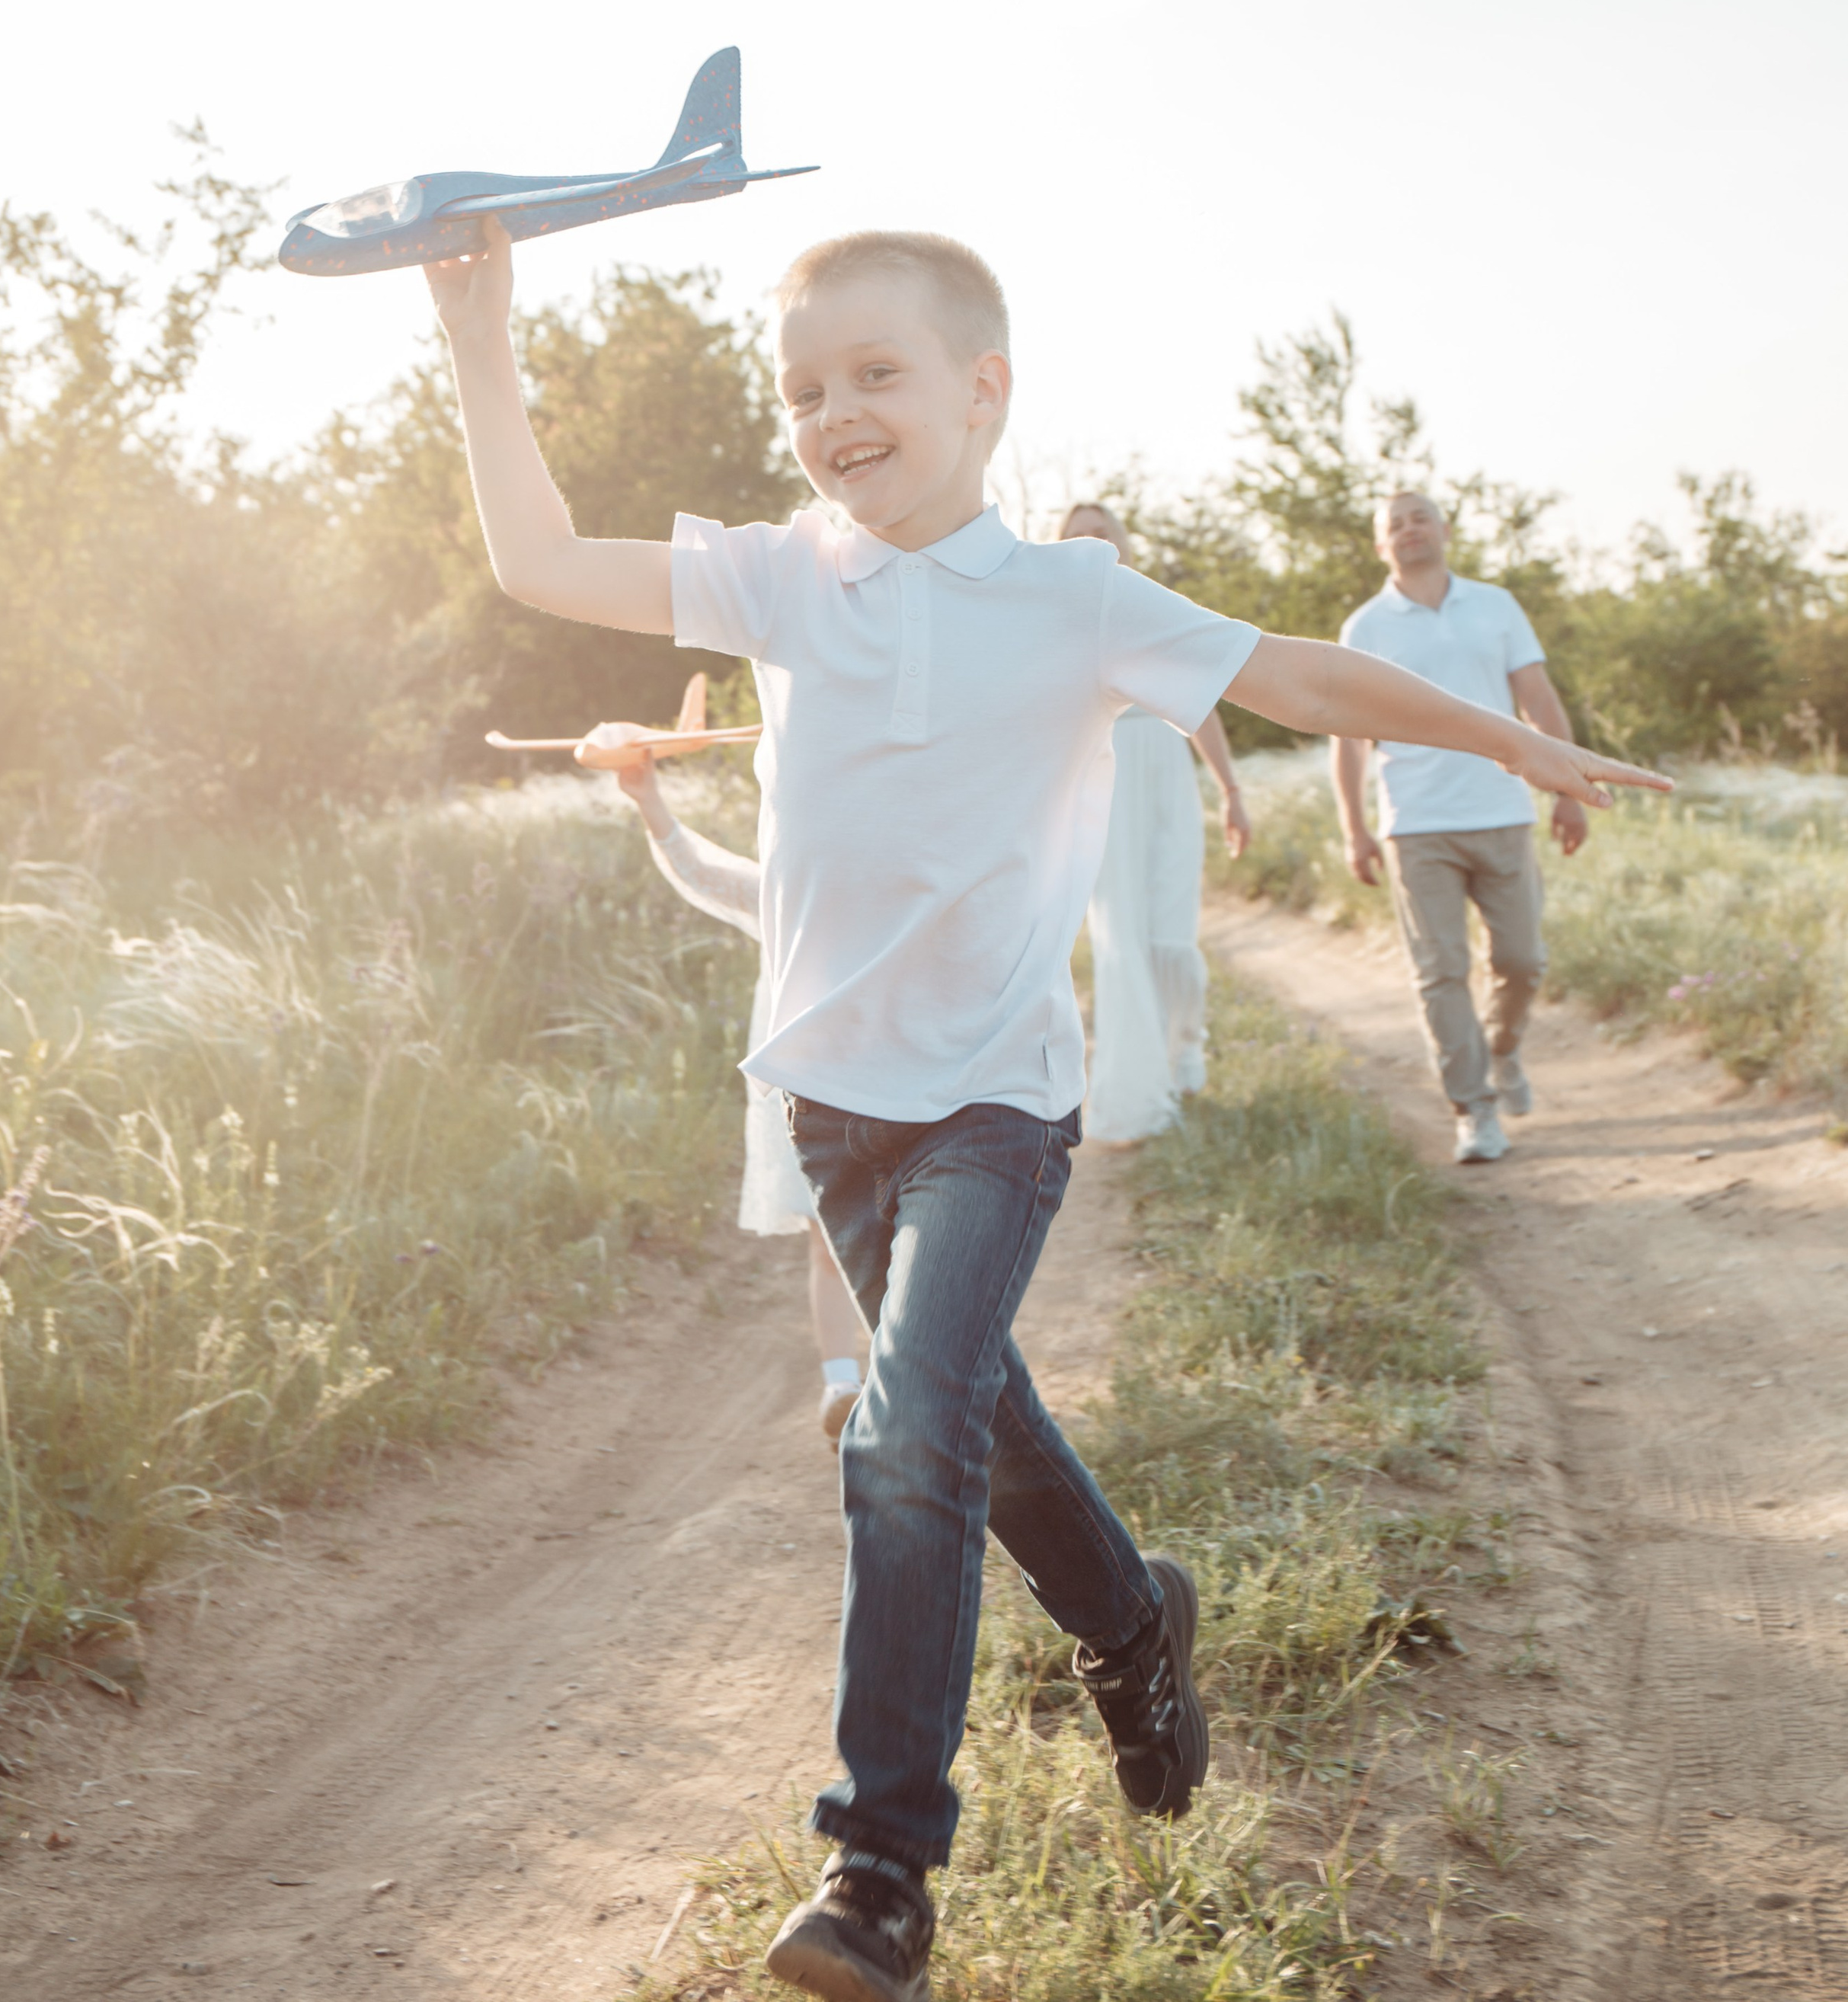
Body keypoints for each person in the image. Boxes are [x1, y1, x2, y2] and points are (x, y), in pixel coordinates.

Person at [421, 219, 1664, 2002]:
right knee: (979, 1432)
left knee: (904, 1419)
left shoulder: (1072, 601)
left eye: (874, 376)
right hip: (833, 1110)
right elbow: (536, 557)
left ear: (982, 391)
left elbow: (1297, 676)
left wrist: (1519, 742)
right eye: (801, 388)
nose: (832, 415)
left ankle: (878, 1869)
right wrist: (480, 336)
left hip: (994, 1101)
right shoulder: (782, 578)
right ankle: (1130, 1622)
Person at [583, 722, 866, 1441]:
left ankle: (921, 1381)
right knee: (828, 1240)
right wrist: (649, 798)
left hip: (888, 1082)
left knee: (903, 1247)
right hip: (810, 1093)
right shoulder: (776, 893)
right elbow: (699, 869)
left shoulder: (886, 887)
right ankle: (843, 1387)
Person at [1332, 489, 1591, 1169]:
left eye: (1420, 517)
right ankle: (1474, 1108)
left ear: (1443, 530)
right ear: (1381, 544)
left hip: (1504, 810)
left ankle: (1502, 1051)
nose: (1409, 529)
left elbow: (1538, 699)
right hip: (1417, 823)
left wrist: (1570, 790)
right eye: (1394, 524)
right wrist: (1354, 828)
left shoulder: (1496, 605)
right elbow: (1349, 740)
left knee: (1523, 960)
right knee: (1440, 970)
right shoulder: (1366, 627)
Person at [1057, 502, 1251, 1139]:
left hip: (1166, 772)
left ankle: (1184, 1044)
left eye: (1103, 531)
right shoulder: (1054, 620)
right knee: (1120, 936)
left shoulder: (1160, 610)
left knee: (1172, 929)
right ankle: (1135, 1089)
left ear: (1123, 541)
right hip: (1102, 778)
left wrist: (1230, 788)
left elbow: (1203, 707)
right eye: (1078, 534)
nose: (1092, 541)